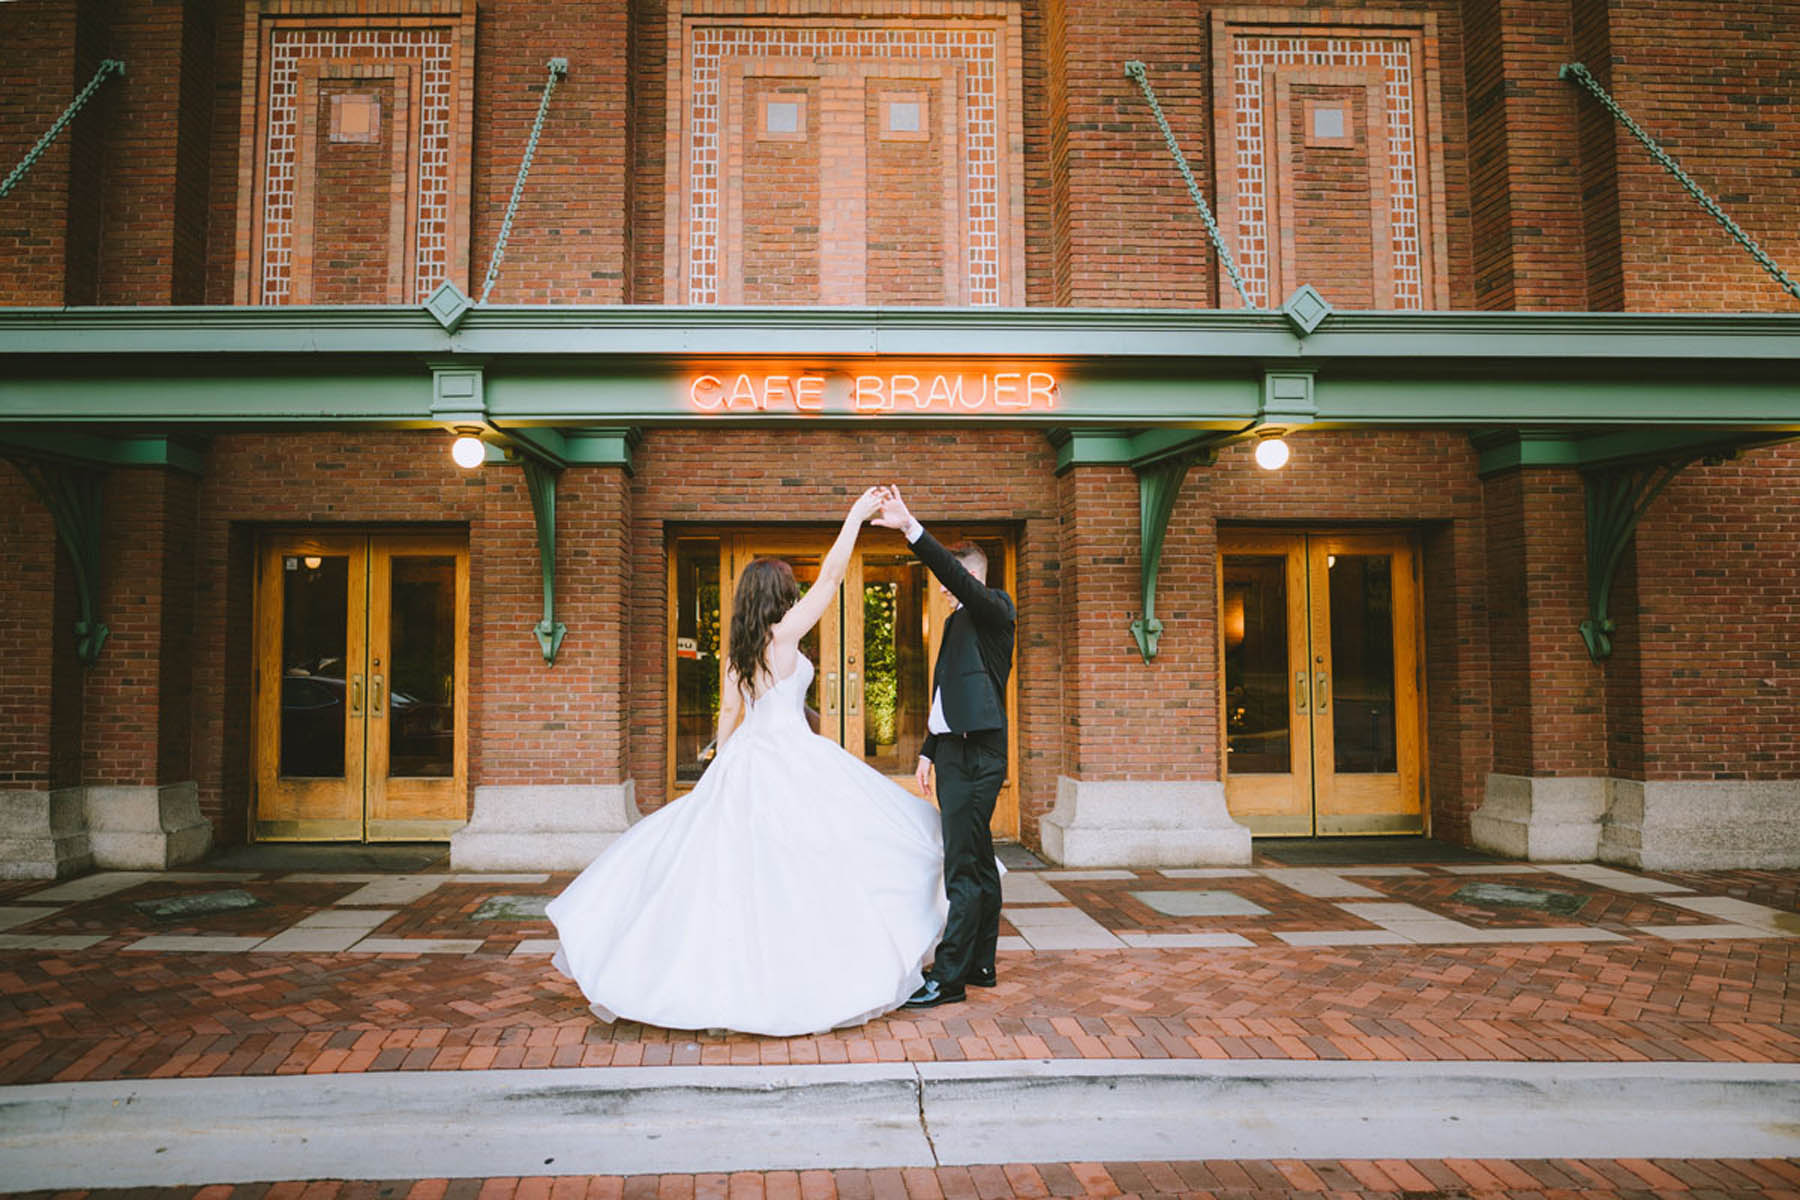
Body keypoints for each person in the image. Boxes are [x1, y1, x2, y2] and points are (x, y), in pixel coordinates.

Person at [546, 487, 948, 1037]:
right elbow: (832, 579)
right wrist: (855, 516)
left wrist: (716, 761)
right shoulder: (784, 637)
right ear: (781, 595)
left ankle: (734, 971)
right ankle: (809, 964)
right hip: (793, 760)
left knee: (734, 873)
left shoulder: (741, 652)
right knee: (828, 857)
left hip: (749, 761)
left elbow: (729, 714)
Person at [872, 487, 1016, 1009]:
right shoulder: (957, 625)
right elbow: (946, 691)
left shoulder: (996, 609)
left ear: (971, 579)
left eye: (951, 584)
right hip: (954, 753)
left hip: (978, 756)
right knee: (977, 860)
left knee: (962, 865)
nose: (943, 592)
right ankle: (980, 962)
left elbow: (955, 578)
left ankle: (949, 976)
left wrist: (911, 526)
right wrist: (929, 749)